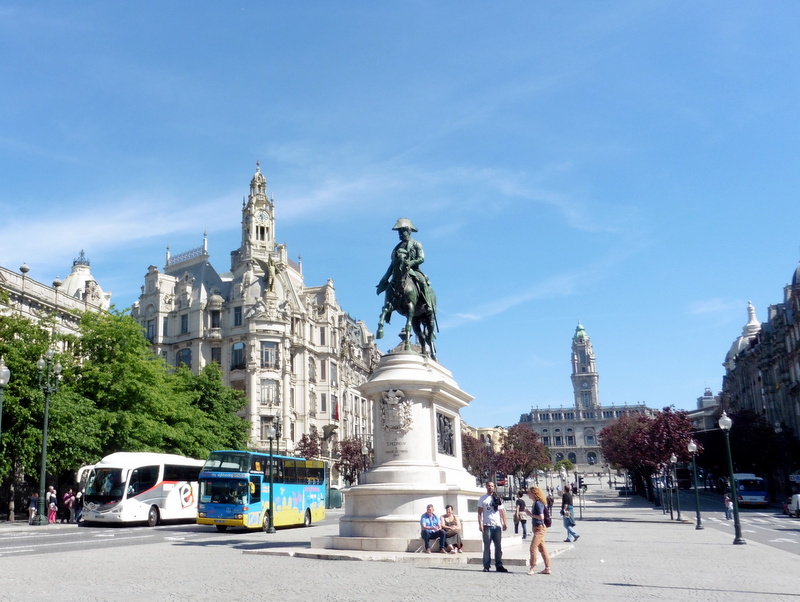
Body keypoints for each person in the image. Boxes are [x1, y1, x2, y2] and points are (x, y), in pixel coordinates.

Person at [478, 481, 508, 572]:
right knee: (487, 546)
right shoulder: (482, 498)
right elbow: (480, 512)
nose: (490, 488)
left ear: (494, 487)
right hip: (487, 525)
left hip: (497, 525)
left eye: (491, 486)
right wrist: (480, 524)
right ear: (486, 487)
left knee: (498, 546)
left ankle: (499, 565)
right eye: (488, 486)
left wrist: (504, 523)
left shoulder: (497, 498)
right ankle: (486, 565)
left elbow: (502, 511)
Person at [526, 486, 552, 575]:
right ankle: (547, 568)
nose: (528, 494)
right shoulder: (536, 503)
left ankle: (532, 567)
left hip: (539, 528)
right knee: (542, 548)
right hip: (537, 528)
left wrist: (530, 514)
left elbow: (541, 517)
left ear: (533, 493)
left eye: (529, 492)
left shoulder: (538, 503)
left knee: (533, 548)